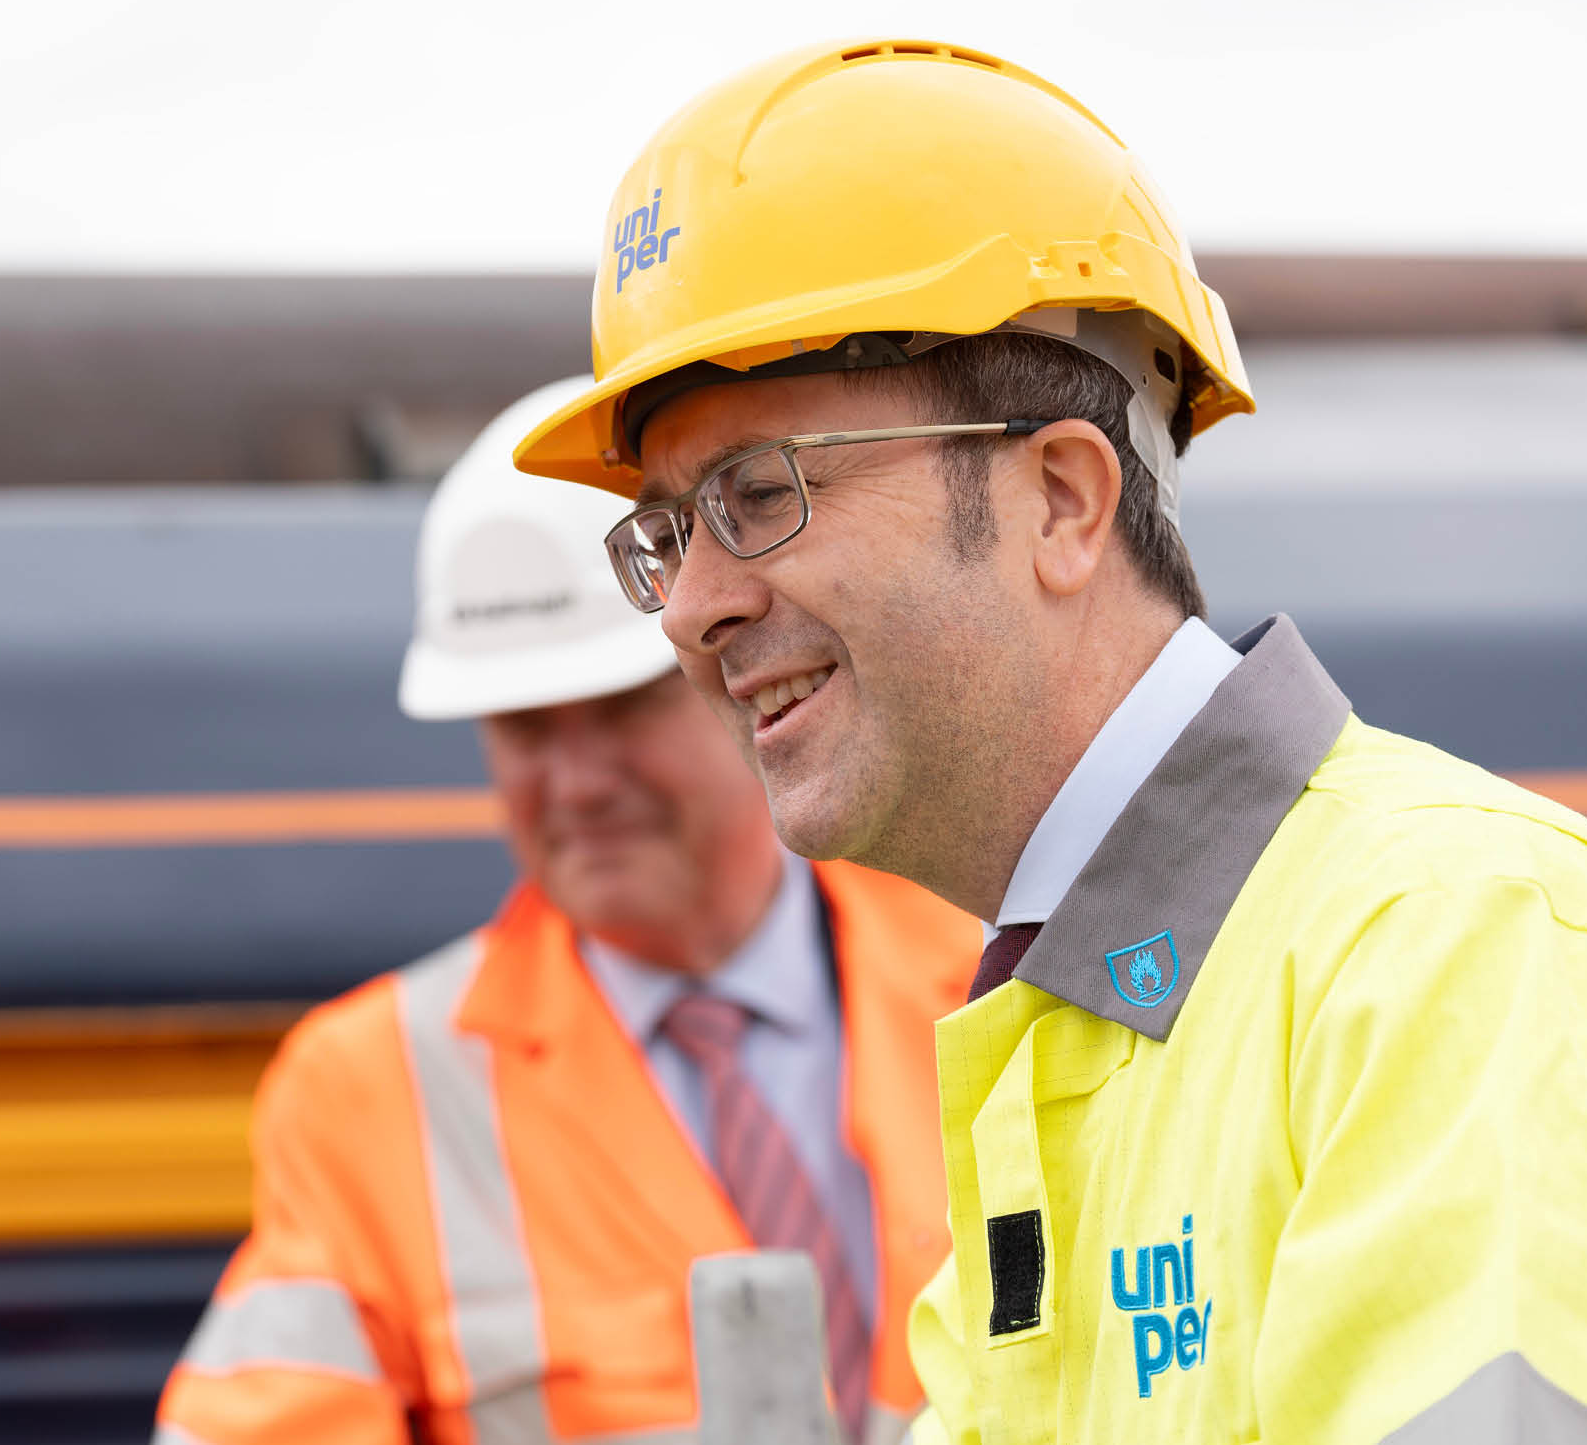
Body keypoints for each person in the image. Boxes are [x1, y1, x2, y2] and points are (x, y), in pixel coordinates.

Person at [513, 40, 1587, 1444]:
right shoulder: (1071, 1038)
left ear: (1060, 499)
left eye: (759, 493)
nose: (690, 607)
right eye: (665, 536)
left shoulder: (1463, 958)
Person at [154, 378, 980, 1445]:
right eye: (526, 729)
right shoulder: (371, 1092)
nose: (579, 781)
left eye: (621, 708)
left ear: (741, 663)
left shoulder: (999, 985)